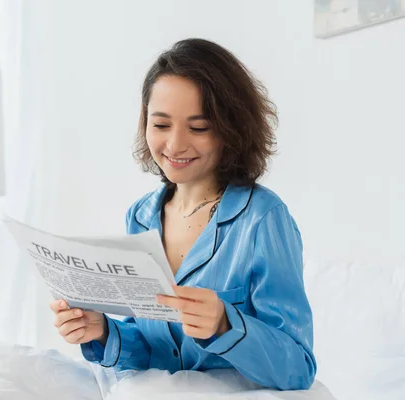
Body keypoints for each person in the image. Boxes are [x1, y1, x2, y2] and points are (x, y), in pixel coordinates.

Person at [50, 38, 316, 391]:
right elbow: (156, 349)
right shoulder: (141, 216)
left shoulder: (263, 219)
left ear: (230, 129)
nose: (175, 145)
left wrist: (225, 324)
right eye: (161, 125)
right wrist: (102, 330)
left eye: (199, 128)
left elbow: (297, 367)